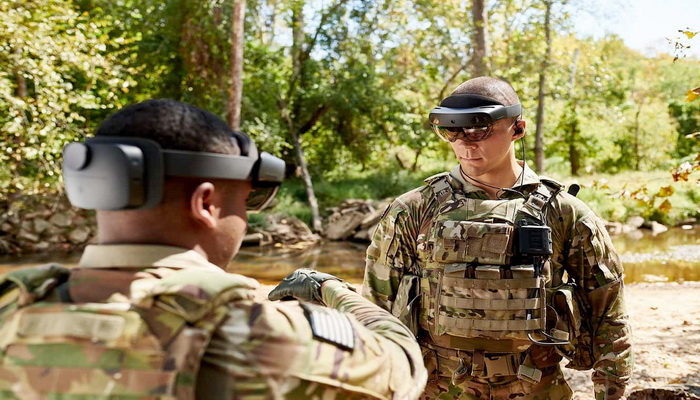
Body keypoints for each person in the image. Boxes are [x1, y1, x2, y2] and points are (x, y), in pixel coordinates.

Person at [0, 99, 427, 399]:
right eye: (246, 200)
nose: (246, 218)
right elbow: (402, 364)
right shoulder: (248, 332)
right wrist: (331, 289)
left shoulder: (12, 308)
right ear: (206, 203)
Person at [361, 77, 632, 400]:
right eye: (452, 132)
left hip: (535, 387)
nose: (464, 144)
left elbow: (608, 311)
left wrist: (610, 393)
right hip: (438, 388)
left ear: (518, 129)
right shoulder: (414, 209)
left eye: (478, 130)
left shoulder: (563, 212)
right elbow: (375, 309)